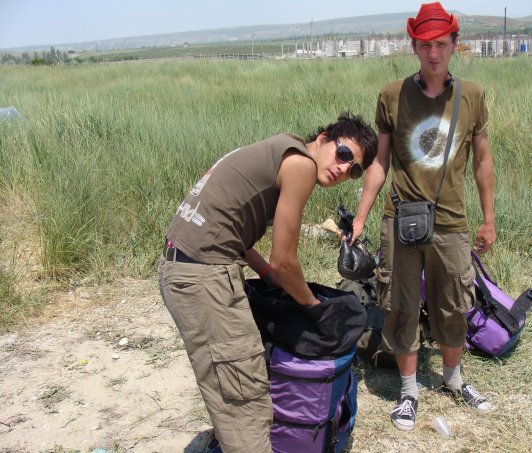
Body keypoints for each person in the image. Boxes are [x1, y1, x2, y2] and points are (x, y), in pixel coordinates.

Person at [158, 112, 377, 452]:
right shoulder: (301, 166)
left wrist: (265, 275)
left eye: (354, 170)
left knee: (233, 381)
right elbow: (285, 262)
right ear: (323, 138)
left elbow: (231, 226)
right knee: (244, 397)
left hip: (183, 266)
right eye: (343, 154)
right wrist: (313, 307)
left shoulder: (281, 147)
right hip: (203, 275)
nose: (343, 169)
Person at [349, 2, 496, 431]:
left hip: (450, 222)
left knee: (453, 303)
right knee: (400, 305)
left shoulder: (472, 96)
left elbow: (482, 161)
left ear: (454, 45)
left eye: (442, 44)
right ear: (413, 46)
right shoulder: (392, 95)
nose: (434, 53)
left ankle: (453, 380)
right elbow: (380, 162)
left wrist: (488, 219)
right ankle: (409, 391)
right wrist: (360, 217)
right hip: (401, 220)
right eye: (425, 45)